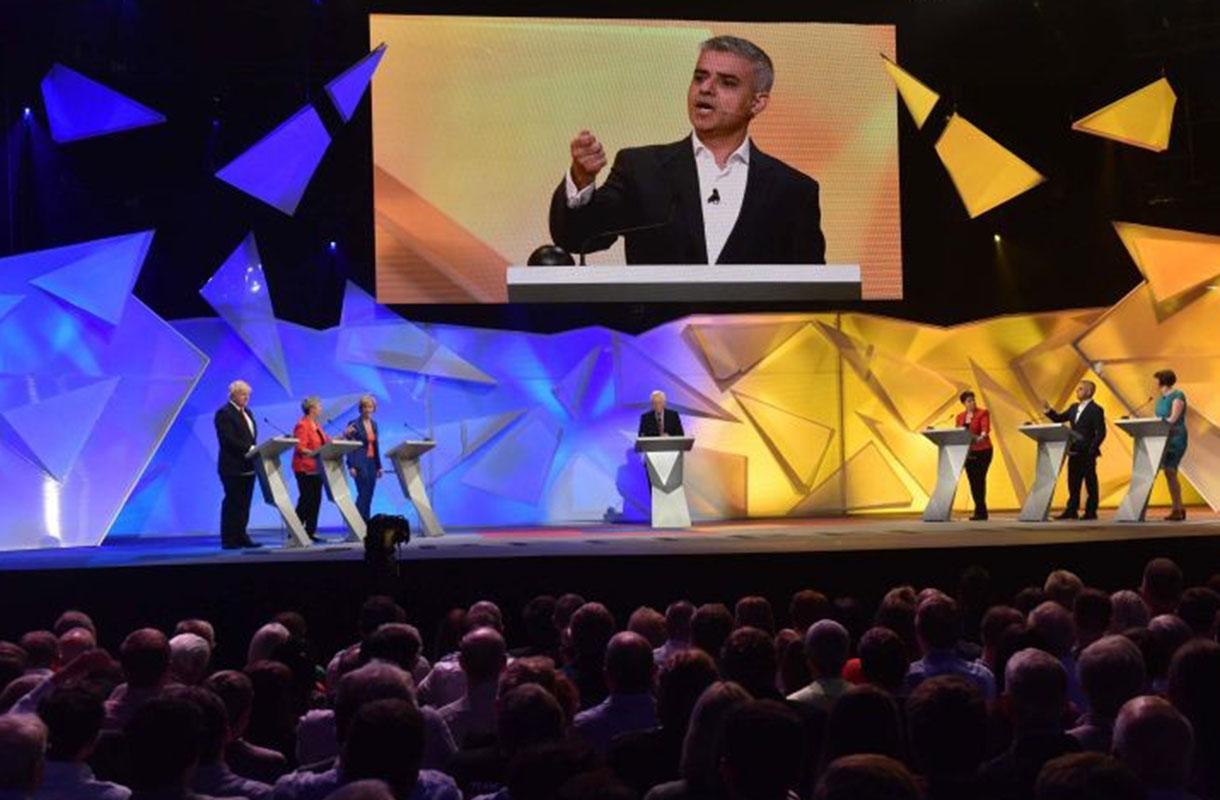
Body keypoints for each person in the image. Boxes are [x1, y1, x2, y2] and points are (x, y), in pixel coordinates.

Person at [549, 36, 825, 266]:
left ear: (757, 103)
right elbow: (577, 237)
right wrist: (581, 179)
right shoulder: (642, 169)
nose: (706, 88)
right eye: (700, 77)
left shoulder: (794, 191)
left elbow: (811, 290)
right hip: (660, 320)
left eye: (727, 82)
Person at [1044, 380, 1106, 520]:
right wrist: (1049, 411)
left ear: (1089, 391)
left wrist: (1093, 448)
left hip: (1088, 451)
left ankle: (1091, 511)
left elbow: (1101, 432)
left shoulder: (1096, 409)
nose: (1077, 391)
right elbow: (1059, 418)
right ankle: (1072, 509)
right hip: (1074, 450)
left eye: (1080, 389)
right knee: (1073, 481)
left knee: (1090, 481)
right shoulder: (1073, 407)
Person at [214, 379, 261, 549]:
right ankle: (229, 539)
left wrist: (254, 449)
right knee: (233, 503)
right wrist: (249, 448)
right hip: (232, 466)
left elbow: (251, 437)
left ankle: (241, 536)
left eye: (248, 395)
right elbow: (227, 439)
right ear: (233, 395)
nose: (246, 397)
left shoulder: (248, 412)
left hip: (249, 465)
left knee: (244, 503)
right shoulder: (224, 413)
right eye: (242, 394)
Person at [292, 397, 329, 542]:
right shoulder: (302, 425)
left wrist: (343, 435)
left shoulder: (316, 425)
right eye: (319, 405)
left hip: (317, 468)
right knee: (306, 500)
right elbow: (300, 447)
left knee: (315, 501)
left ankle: (310, 532)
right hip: (304, 468)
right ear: (312, 408)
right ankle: (294, 532)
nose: (321, 408)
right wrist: (315, 453)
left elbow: (326, 442)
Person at [1154, 369, 1189, 521]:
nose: (1154, 383)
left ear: (1162, 380)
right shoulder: (1160, 399)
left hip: (1175, 437)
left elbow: (1173, 419)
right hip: (1163, 437)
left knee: (1170, 470)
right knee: (1169, 473)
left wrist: (1159, 423)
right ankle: (1179, 508)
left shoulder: (1177, 395)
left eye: (1156, 379)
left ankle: (1177, 509)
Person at [956, 391, 992, 521]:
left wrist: (981, 436)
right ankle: (980, 511)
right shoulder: (960, 417)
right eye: (969, 401)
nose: (972, 403)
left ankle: (981, 511)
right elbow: (958, 432)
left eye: (973, 400)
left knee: (979, 480)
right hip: (968, 452)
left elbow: (985, 429)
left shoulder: (983, 413)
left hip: (983, 450)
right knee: (973, 481)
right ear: (964, 403)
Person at [345, 396, 382, 522]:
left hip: (372, 463)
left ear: (373, 409)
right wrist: (351, 466)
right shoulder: (353, 424)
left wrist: (379, 466)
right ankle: (356, 522)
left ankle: (366, 524)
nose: (367, 409)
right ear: (361, 409)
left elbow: (376, 446)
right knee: (363, 494)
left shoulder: (374, 424)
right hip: (359, 462)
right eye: (365, 407)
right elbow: (349, 447)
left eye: (370, 407)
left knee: (369, 495)